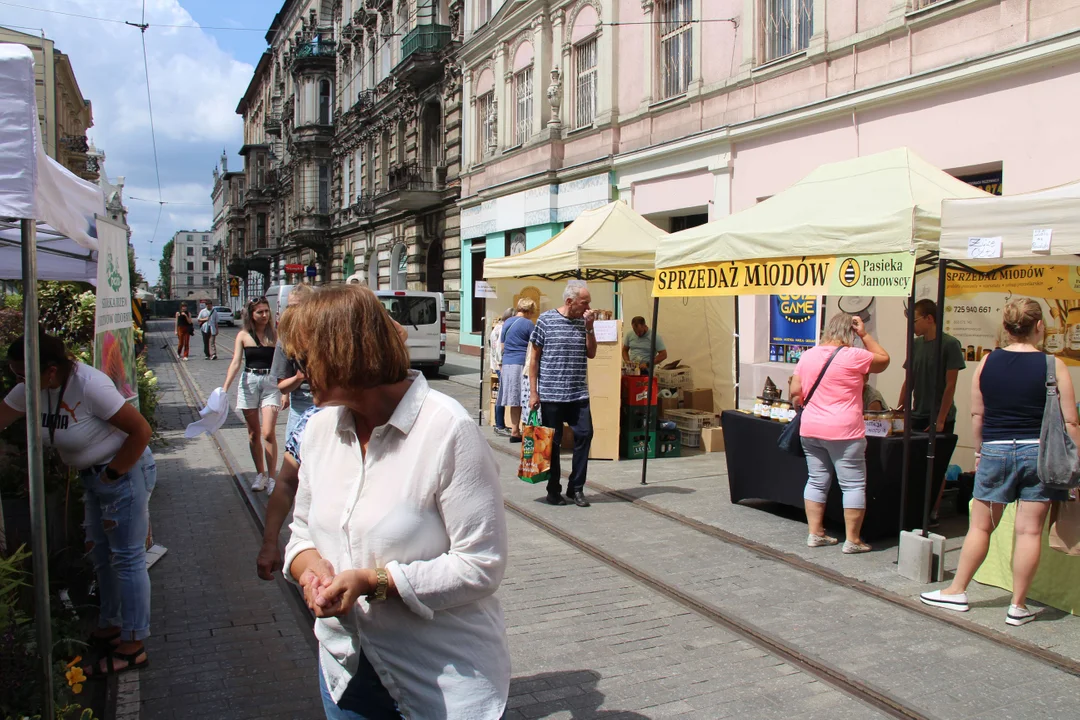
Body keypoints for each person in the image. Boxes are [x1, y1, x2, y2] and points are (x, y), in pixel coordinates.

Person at [279, 284, 510, 719]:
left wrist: (374, 581)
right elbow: (301, 533)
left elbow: (482, 565)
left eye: (306, 356)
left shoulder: (447, 429)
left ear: (347, 352)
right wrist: (310, 574)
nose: (299, 369)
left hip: (437, 680)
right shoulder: (318, 429)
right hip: (344, 669)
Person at [0, 332, 156, 677]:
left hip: (122, 472)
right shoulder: (32, 386)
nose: (19, 381)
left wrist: (112, 476)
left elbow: (141, 431)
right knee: (100, 554)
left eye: (23, 374)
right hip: (93, 476)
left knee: (127, 557)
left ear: (51, 371)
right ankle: (112, 623)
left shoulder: (88, 385)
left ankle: (133, 645)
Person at [921, 299, 1078, 626]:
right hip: (1040, 453)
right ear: (1039, 327)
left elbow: (978, 415)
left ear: (1005, 328)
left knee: (981, 526)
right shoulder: (1054, 365)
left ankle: (957, 590)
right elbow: (1071, 423)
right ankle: (1017, 607)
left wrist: (980, 451)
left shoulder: (988, 362)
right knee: (1030, 532)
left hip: (995, 449)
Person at [790, 313, 890, 554]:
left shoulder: (808, 355)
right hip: (845, 431)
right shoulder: (854, 356)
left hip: (811, 428)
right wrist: (865, 334)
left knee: (816, 480)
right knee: (853, 485)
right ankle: (853, 540)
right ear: (851, 333)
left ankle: (815, 533)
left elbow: (795, 392)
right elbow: (884, 360)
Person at [897, 299, 966, 523]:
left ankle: (932, 512)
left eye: (914, 320)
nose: (912, 326)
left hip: (938, 417)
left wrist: (941, 418)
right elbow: (909, 380)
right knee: (913, 465)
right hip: (917, 414)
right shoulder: (916, 345)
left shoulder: (949, 344)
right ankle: (912, 510)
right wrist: (900, 410)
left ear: (929, 318)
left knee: (936, 466)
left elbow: (951, 385)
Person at [529, 280, 597, 508]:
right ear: (570, 301)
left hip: (578, 394)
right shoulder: (545, 321)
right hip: (551, 395)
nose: (589, 307)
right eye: (584, 302)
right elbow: (534, 360)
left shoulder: (584, 322)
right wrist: (533, 393)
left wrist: (589, 327)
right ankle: (553, 490)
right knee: (553, 444)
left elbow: (592, 353)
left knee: (585, 435)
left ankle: (576, 488)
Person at [222, 296, 282, 492]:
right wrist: (224, 388)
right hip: (248, 383)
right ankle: (260, 475)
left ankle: (272, 478)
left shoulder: (276, 334)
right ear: (251, 315)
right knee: (253, 433)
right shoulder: (243, 335)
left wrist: (286, 391)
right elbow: (236, 362)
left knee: (268, 432)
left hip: (271, 384)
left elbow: (284, 362)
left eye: (267, 311)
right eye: (260, 312)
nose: (265, 315)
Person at [271, 284, 315, 445]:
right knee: (295, 456)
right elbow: (282, 386)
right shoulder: (286, 340)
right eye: (288, 306)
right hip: (301, 403)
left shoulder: (324, 333)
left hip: (330, 404)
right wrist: (298, 377)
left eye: (297, 306)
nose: (290, 311)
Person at [498, 298, 537, 444]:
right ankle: (526, 430)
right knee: (526, 397)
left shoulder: (507, 322)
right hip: (521, 364)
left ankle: (515, 430)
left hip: (507, 363)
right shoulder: (528, 324)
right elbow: (535, 345)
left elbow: (502, 346)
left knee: (514, 399)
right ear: (529, 310)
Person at [490, 310, 511, 436]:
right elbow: (499, 348)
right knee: (501, 395)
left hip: (497, 365)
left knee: (501, 395)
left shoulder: (496, 328)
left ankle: (500, 424)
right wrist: (501, 365)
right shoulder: (502, 329)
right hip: (500, 365)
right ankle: (499, 425)